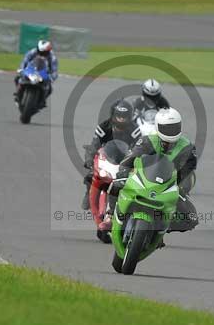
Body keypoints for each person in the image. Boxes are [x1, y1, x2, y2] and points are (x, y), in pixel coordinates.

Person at [111, 108, 198, 237]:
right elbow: (130, 159)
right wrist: (123, 172)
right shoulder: (148, 140)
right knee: (114, 184)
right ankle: (110, 214)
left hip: (170, 182)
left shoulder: (187, 147)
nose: (171, 131)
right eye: (167, 128)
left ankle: (162, 227)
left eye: (174, 127)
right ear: (158, 126)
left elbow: (188, 170)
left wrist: (179, 187)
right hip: (145, 178)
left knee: (191, 218)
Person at [81, 99, 140, 210]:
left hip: (125, 159)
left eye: (124, 117)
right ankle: (88, 192)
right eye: (119, 116)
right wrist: (89, 159)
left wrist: (138, 160)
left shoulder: (135, 130)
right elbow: (94, 145)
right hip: (106, 157)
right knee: (91, 174)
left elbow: (139, 147)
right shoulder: (104, 127)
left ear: (130, 117)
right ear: (113, 115)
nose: (121, 119)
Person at [14, 40, 58, 106]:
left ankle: (42, 100)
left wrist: (51, 77)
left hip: (43, 73)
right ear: (38, 49)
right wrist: (21, 69)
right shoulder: (32, 52)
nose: (41, 54)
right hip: (31, 70)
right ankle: (18, 95)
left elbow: (54, 70)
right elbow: (25, 60)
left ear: (48, 51)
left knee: (50, 88)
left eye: (44, 52)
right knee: (17, 78)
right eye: (40, 51)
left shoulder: (52, 57)